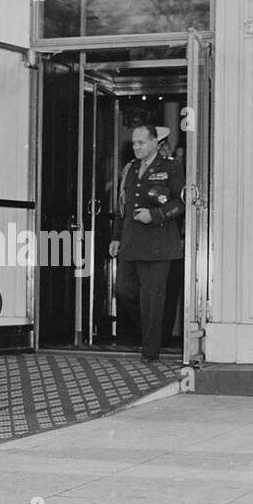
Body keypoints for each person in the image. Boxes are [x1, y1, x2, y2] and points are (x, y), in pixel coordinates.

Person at [109, 124, 185, 362]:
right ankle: (153, 333)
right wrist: (116, 237)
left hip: (158, 245)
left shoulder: (171, 167)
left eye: (141, 143)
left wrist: (155, 215)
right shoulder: (130, 169)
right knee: (124, 291)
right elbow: (123, 207)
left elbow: (180, 202)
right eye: (134, 143)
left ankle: (150, 350)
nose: (136, 147)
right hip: (132, 242)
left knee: (152, 299)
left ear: (155, 143)